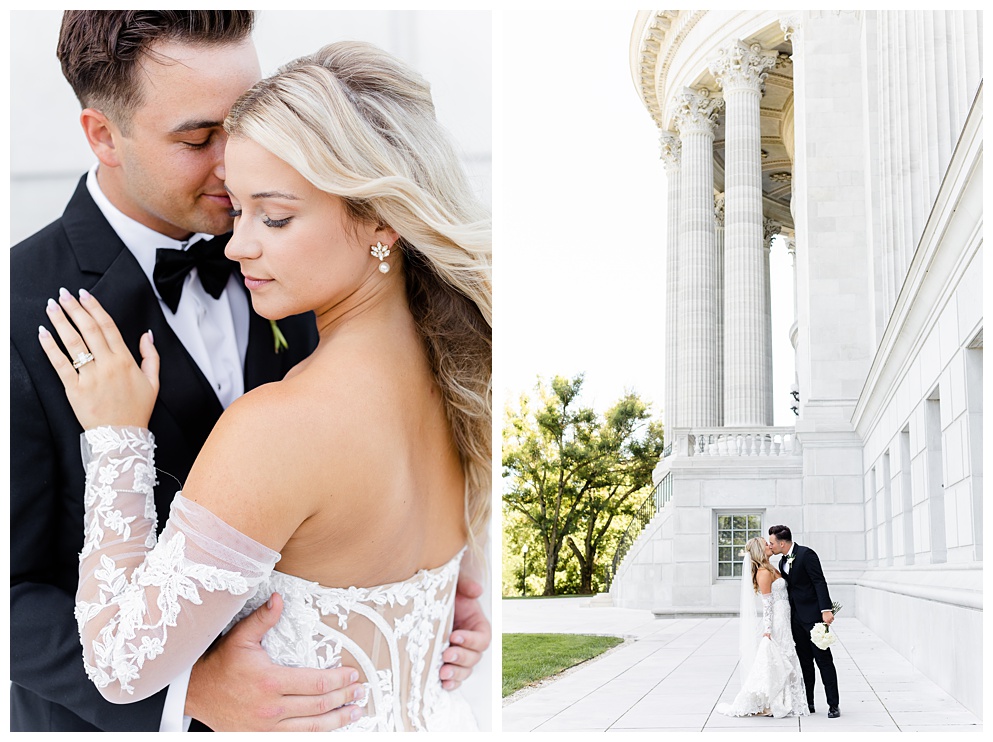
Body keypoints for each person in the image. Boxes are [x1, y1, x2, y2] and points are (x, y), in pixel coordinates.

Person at [9, 11, 488, 732]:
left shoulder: (319, 260)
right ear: (104, 136)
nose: (237, 162)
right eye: (200, 138)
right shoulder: (17, 307)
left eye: (246, 117)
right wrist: (189, 692)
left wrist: (421, 609)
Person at [717, 537, 807, 718]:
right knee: (781, 657)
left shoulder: (772, 567)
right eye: (766, 544)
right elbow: (767, 603)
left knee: (786, 656)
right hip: (778, 621)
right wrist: (768, 629)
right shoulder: (764, 572)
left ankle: (785, 699)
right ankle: (776, 701)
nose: (769, 545)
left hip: (785, 615)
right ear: (760, 549)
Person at [767, 524, 840, 718]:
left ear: (782, 543)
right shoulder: (782, 561)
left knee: (824, 662)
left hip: (814, 617)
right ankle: (809, 702)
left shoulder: (807, 554)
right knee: (805, 664)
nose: (770, 545)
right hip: (795, 620)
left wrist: (826, 610)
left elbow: (819, 581)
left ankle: (833, 705)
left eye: (772, 543)